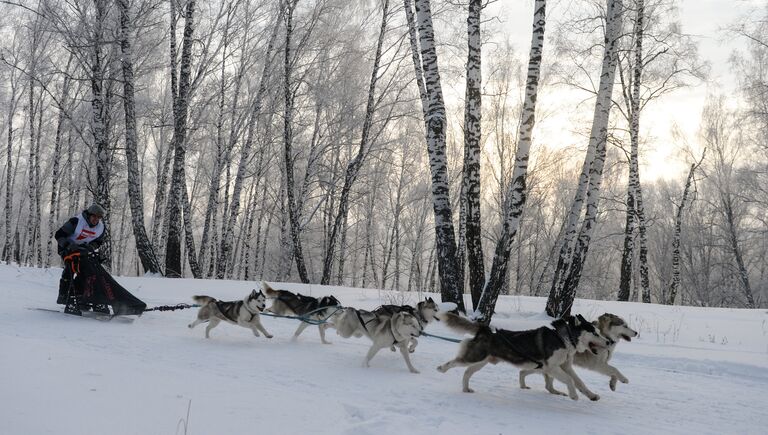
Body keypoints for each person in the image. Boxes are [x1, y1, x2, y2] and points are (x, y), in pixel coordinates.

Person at [54, 203, 107, 313]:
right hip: (67, 248)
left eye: (98, 217)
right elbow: (59, 235)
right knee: (71, 267)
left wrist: (91, 247)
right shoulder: (76, 222)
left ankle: (86, 298)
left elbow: (98, 241)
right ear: (88, 215)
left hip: (83, 250)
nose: (96, 220)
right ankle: (66, 297)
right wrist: (68, 246)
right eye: (94, 216)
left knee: (91, 271)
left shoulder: (101, 227)